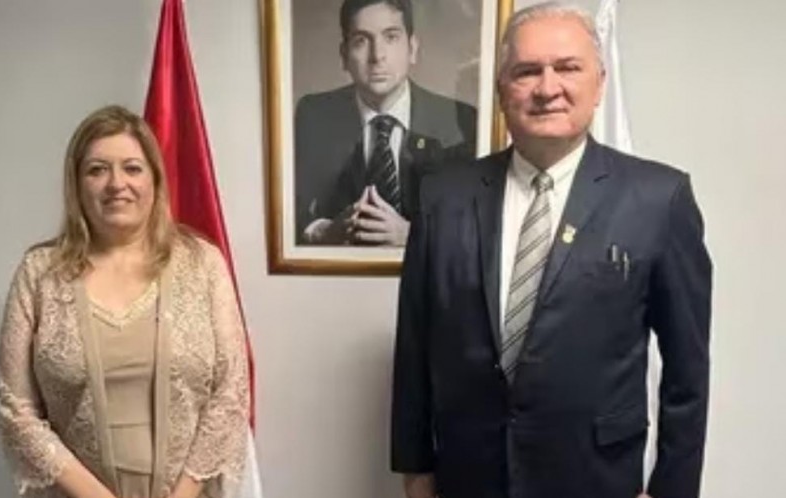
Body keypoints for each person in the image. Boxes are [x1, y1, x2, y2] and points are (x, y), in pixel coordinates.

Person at [390, 3, 712, 498]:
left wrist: (672, 489)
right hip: (469, 476)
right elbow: (414, 347)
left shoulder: (659, 199)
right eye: (526, 71)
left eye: (567, 67)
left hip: (597, 478)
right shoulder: (442, 198)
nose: (547, 88)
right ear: (502, 90)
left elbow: (687, 370)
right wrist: (415, 469)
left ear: (599, 83)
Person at [0, 105, 249, 498]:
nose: (117, 183)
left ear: (154, 179)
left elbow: (230, 390)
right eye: (97, 170)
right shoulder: (39, 273)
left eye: (132, 168)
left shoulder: (203, 264)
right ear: (76, 184)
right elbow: (16, 409)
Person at [294, 0, 477, 246]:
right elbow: (288, 211)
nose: (377, 56)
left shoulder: (461, 120)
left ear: (412, 49)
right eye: (361, 40)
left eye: (391, 37)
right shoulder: (314, 115)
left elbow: (475, 224)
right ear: (344, 55)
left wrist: (413, 235)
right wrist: (323, 232)